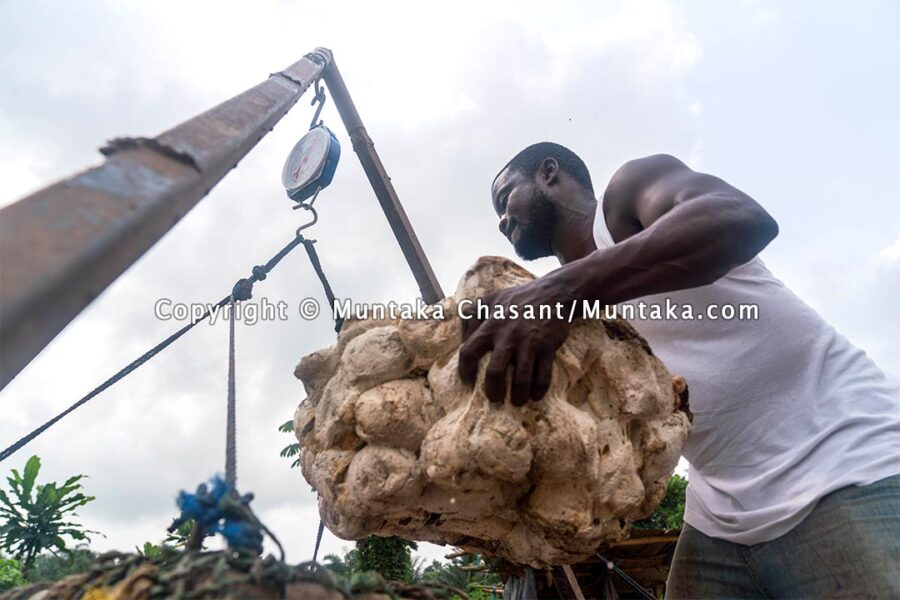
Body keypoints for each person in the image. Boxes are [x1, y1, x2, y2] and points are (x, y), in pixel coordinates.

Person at [458, 142, 900, 598]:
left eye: (505, 198)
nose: (502, 220)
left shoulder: (625, 199)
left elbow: (738, 218)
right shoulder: (561, 318)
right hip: (719, 516)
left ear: (548, 174)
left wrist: (561, 292)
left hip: (845, 460)